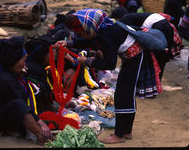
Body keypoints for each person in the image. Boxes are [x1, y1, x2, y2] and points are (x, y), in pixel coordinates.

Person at [55, 8, 165, 143]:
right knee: (126, 94)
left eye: (82, 32)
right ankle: (126, 131)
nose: (82, 35)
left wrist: (87, 61)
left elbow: (110, 63)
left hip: (135, 58)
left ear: (88, 26)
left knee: (122, 96)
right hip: (133, 57)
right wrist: (69, 43)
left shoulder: (106, 34)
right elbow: (90, 41)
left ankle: (119, 135)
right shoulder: (102, 27)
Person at [0, 36, 52, 145]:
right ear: (14, 62)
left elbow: (24, 94)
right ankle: (40, 135)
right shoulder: (4, 79)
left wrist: (21, 77)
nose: (25, 64)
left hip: (10, 113)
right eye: (24, 60)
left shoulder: (13, 73)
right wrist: (40, 122)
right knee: (18, 104)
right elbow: (20, 101)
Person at [120, 12, 183, 80]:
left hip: (160, 27)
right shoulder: (129, 18)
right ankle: (157, 80)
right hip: (164, 26)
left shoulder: (123, 22)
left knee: (160, 56)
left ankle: (155, 80)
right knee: (163, 55)